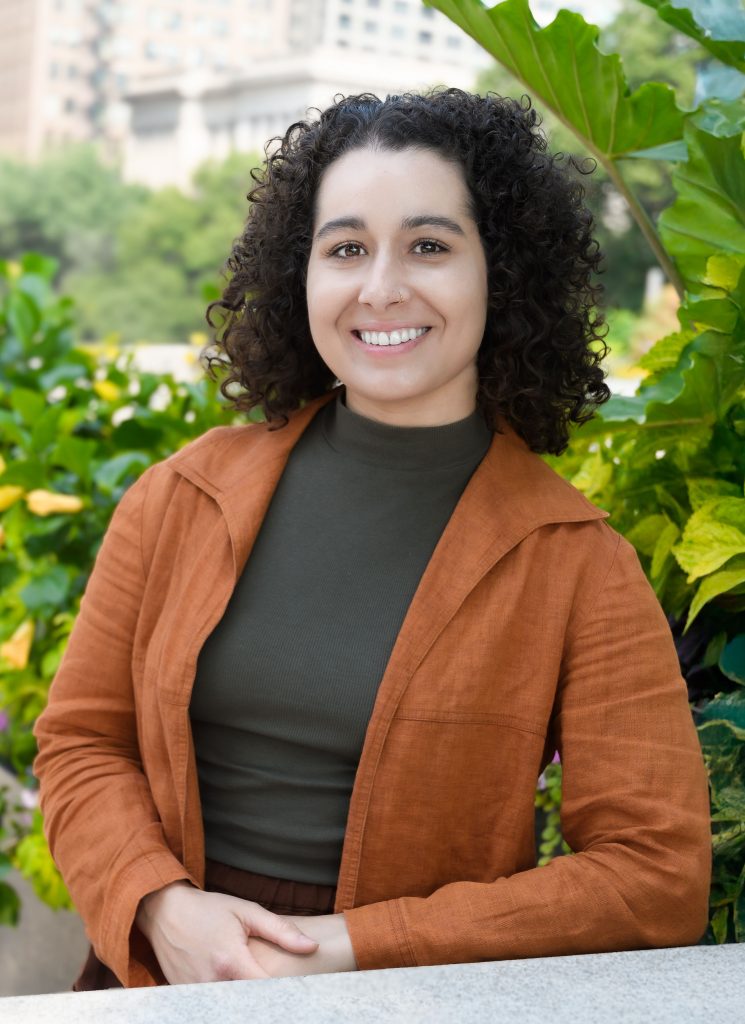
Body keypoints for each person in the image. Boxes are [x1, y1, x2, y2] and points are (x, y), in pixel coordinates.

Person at [33, 89, 711, 991]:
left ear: (499, 274)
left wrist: (351, 951)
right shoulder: (181, 497)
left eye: (429, 246)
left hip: (411, 991)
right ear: (299, 274)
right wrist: (161, 906)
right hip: (161, 980)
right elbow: (83, 742)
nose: (380, 286)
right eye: (345, 247)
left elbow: (655, 875)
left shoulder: (577, 562)